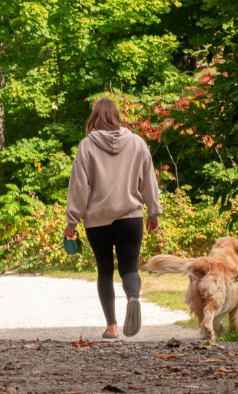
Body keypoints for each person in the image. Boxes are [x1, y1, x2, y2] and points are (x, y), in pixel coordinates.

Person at [64, 98, 162, 339]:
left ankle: (112, 328)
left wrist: (71, 222)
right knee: (129, 268)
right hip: (130, 217)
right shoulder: (138, 143)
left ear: (94, 118)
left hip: (97, 221)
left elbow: (79, 188)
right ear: (116, 116)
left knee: (105, 271)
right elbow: (149, 179)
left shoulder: (86, 146)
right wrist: (153, 212)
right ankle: (133, 298)